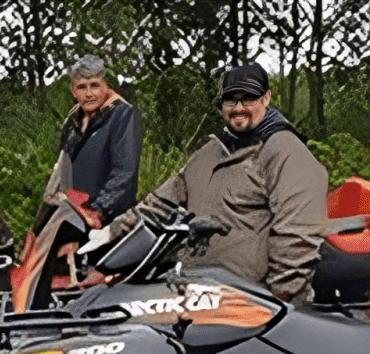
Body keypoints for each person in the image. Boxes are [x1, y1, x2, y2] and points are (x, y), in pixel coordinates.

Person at [80, 62, 327, 303]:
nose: (238, 107)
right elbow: (160, 204)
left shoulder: (287, 153)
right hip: (194, 291)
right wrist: (113, 231)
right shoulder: (207, 153)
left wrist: (281, 303)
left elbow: (297, 240)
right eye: (230, 100)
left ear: (266, 98)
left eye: (248, 99)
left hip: (250, 301)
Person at [58, 55, 141, 225]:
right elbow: (62, 172)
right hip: (73, 216)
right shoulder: (72, 123)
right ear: (74, 91)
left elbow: (124, 173)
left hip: (108, 221)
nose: (88, 94)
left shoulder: (122, 115)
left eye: (95, 85)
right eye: (82, 87)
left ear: (105, 87)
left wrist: (98, 210)